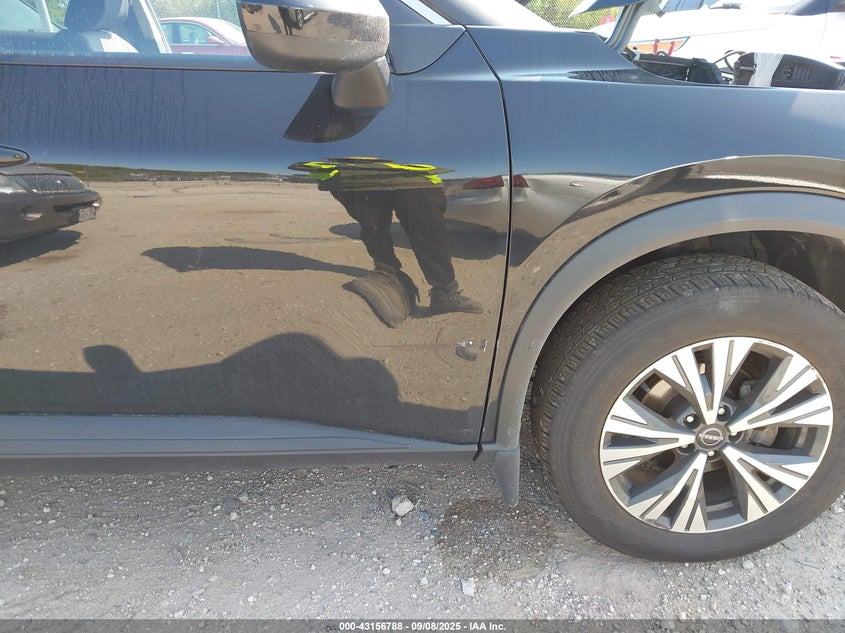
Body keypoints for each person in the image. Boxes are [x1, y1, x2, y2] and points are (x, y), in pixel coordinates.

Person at [290, 157, 483, 327]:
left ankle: (445, 293)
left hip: (413, 171)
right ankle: (387, 271)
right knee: (372, 225)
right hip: (353, 172)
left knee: (429, 229)